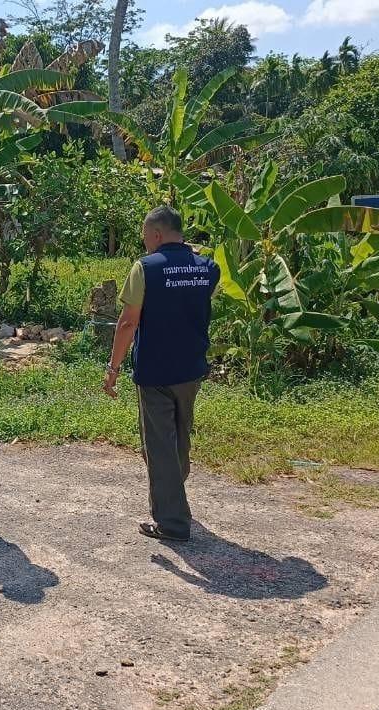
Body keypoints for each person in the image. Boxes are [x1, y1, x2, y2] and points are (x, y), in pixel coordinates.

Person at [103, 205, 219, 543]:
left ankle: (172, 522)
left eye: (145, 236)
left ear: (156, 234)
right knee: (180, 437)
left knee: (160, 446)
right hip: (191, 369)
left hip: (155, 370)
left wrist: (113, 367)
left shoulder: (145, 268)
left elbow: (128, 322)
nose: (145, 243)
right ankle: (174, 498)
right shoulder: (208, 268)